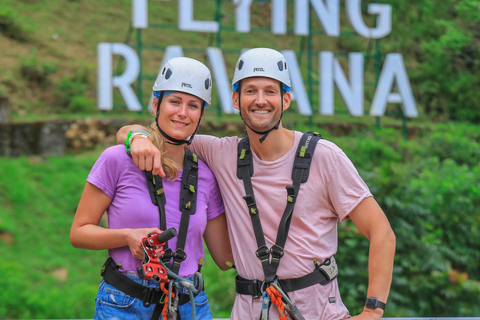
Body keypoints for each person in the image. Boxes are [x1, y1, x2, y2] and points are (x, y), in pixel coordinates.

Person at [116, 48, 396, 320]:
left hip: (315, 309)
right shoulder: (221, 153)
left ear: (286, 100)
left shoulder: (323, 156)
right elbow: (161, 134)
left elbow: (381, 232)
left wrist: (372, 311)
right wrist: (137, 137)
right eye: (250, 91)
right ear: (236, 100)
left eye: (270, 91)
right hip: (249, 309)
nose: (260, 100)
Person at [70, 56, 233, 320]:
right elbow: (79, 233)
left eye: (193, 105)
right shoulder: (116, 160)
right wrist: (126, 237)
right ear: (156, 104)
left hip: (189, 304)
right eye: (175, 101)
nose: (182, 112)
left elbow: (226, 259)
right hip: (125, 303)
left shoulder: (206, 175)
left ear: (201, 114)